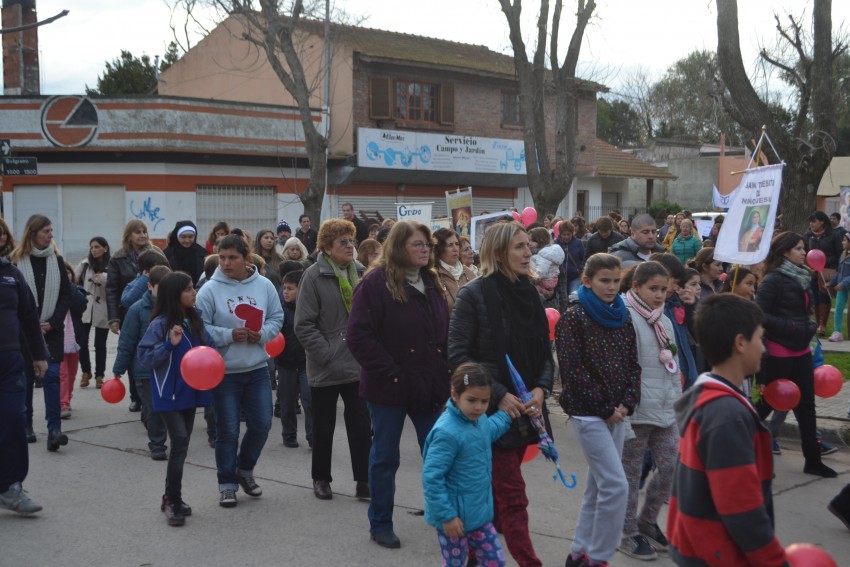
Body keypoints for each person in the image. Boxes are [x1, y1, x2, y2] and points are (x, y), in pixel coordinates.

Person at [448, 220, 553, 567]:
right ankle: (528, 561)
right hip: (487, 414)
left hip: (526, 412)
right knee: (511, 496)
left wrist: (541, 388)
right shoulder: (473, 294)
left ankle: (475, 559)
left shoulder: (531, 293)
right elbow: (459, 356)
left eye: (529, 246)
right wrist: (498, 394)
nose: (528, 253)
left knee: (492, 497)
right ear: (498, 252)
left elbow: (543, 352)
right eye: (519, 247)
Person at [347, 220, 451, 549]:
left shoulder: (431, 280)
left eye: (428, 245)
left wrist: (446, 369)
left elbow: (442, 330)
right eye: (418, 244)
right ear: (398, 247)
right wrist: (392, 371)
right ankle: (380, 522)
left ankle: (446, 516)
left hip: (429, 385)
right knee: (385, 458)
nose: (425, 250)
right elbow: (358, 336)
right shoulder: (375, 283)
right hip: (388, 387)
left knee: (439, 455)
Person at [668, 293, 788, 566]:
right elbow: (740, 506)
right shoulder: (727, 415)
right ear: (740, 343)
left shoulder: (709, 394)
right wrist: (774, 560)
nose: (765, 348)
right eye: (761, 338)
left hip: (701, 546)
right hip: (718, 554)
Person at [556, 253, 640, 567]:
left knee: (598, 485)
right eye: (605, 281)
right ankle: (599, 557)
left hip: (617, 411)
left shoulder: (623, 315)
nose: (611, 287)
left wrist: (627, 403)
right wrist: (605, 407)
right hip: (588, 413)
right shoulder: (573, 317)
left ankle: (579, 551)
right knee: (616, 486)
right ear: (588, 281)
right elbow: (572, 371)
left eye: (617, 281)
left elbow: (634, 364)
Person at [195, 234, 284, 508]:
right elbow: (200, 327)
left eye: (232, 257)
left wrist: (263, 334)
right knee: (228, 431)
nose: (226, 263)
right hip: (224, 373)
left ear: (247, 258)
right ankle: (227, 484)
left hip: (257, 368)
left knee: (262, 424)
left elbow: (276, 318)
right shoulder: (209, 290)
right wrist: (229, 334)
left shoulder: (264, 285)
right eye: (222, 257)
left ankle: (244, 471)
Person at [294, 219, 371, 503]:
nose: (350, 246)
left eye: (351, 241)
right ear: (326, 247)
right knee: (324, 426)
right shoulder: (313, 276)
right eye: (343, 242)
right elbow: (303, 325)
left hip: (357, 364)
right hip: (325, 365)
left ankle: (364, 480)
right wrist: (327, 353)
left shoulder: (361, 274)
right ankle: (321, 479)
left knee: (361, 426)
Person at [755, 231, 836, 478]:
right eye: (799, 248)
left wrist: (809, 325)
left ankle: (812, 460)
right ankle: (736, 444)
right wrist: (790, 326)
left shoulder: (802, 277)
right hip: (779, 352)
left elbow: (804, 311)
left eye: (804, 248)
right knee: (768, 404)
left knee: (807, 406)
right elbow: (759, 315)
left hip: (801, 351)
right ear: (784, 251)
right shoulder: (773, 280)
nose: (804, 253)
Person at [138, 271, 214, 526]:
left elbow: (208, 348)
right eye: (189, 289)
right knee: (180, 442)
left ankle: (172, 497)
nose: (194, 292)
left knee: (182, 444)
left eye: (194, 288)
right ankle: (172, 499)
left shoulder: (195, 319)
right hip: (168, 394)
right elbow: (145, 358)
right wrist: (169, 344)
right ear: (174, 295)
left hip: (191, 394)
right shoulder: (160, 324)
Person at [619, 261, 681, 560]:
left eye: (663, 290)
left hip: (665, 408)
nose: (659, 295)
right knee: (629, 475)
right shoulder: (623, 316)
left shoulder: (664, 321)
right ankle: (627, 532)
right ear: (636, 287)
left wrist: (677, 403)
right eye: (653, 289)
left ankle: (646, 520)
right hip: (637, 409)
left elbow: (673, 366)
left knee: (670, 464)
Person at [422, 362, 512, 567]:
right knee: (454, 563)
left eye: (485, 401)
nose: (479, 407)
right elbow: (432, 477)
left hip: (479, 515)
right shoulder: (446, 433)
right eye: (472, 400)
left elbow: (489, 430)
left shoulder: (478, 419)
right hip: (453, 521)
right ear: (455, 395)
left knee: (495, 562)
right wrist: (447, 516)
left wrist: (507, 415)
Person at [10, 214, 72, 452]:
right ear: (33, 233)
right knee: (25, 379)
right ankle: (26, 425)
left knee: (52, 376)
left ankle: (54, 430)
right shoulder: (15, 262)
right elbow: (11, 299)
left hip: (52, 331)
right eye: (46, 231)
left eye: (51, 231)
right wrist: (31, 323)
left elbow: (66, 294)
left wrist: (53, 322)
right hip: (24, 333)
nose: (51, 235)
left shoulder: (56, 260)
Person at [0, 251, 49, 514]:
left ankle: (11, 487)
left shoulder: (11, 274)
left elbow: (29, 316)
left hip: (9, 362)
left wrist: (39, 355)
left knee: (13, 421)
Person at [113, 265, 172, 461]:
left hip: (169, 367)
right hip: (145, 369)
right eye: (159, 288)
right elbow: (127, 341)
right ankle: (157, 444)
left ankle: (151, 423)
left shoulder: (176, 308)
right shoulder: (137, 309)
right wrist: (118, 369)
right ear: (149, 286)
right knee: (153, 408)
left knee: (164, 407)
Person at [106, 219, 164, 413]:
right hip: (131, 313)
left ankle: (152, 393)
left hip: (156, 310)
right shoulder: (118, 257)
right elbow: (112, 289)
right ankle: (136, 396)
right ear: (129, 235)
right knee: (133, 352)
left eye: (144, 232)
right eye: (138, 232)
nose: (142, 235)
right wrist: (114, 318)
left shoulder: (156, 253)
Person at [277, 270, 312, 449]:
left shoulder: (310, 309)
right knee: (288, 402)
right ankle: (289, 435)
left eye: (290, 289)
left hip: (307, 364)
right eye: (284, 288)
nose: (285, 292)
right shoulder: (280, 311)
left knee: (310, 401)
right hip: (286, 364)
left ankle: (313, 437)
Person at [75, 236, 110, 389]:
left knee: (100, 344)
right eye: (92, 247)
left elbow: (116, 283)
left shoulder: (111, 265)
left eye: (97, 247)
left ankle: (99, 375)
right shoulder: (84, 265)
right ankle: (86, 372)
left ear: (105, 248)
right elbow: (73, 281)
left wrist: (103, 278)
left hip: (103, 308)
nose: (94, 250)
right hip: (85, 308)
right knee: (82, 342)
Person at [805, 211, 843, 335]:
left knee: (824, 296)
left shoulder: (834, 235)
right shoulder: (808, 235)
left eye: (814, 221)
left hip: (828, 270)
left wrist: (837, 270)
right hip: (813, 271)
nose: (811, 224)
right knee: (814, 296)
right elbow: (804, 252)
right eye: (810, 221)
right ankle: (817, 324)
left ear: (821, 221)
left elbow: (839, 253)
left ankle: (822, 324)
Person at [59, 263, 87, 420]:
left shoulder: (75, 290)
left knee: (72, 372)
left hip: (74, 338)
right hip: (57, 339)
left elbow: (80, 306)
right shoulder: (52, 292)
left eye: (68, 272)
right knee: (62, 373)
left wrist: (68, 286)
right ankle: (63, 403)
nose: (66, 274)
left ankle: (67, 398)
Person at [434, 228, 476, 311]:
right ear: (440, 249)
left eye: (457, 244)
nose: (455, 249)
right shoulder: (434, 276)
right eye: (450, 245)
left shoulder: (469, 273)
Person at [163, 220, 207, 285]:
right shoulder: (167, 253)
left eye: (190, 237)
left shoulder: (202, 253)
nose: (187, 240)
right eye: (183, 237)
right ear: (177, 237)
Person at [555, 221, 586, 312]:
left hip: (574, 276)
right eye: (564, 234)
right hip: (560, 277)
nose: (566, 237)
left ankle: (574, 314)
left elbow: (583, 257)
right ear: (560, 234)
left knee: (573, 297)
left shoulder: (578, 243)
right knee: (562, 299)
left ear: (572, 233)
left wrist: (580, 267)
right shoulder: (556, 244)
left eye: (568, 234)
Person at [827, 233, 850, 342]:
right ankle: (837, 332)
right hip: (842, 287)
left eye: (845, 240)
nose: (842, 242)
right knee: (838, 309)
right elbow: (839, 271)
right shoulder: (843, 254)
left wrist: (844, 283)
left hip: (845, 285)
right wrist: (831, 283)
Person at [530, 244, 564, 310]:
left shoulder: (544, 261)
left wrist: (534, 281)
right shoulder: (555, 262)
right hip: (552, 285)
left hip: (545, 283)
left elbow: (540, 273)